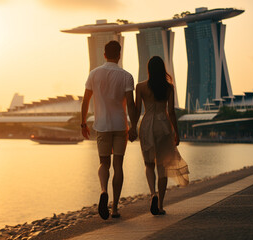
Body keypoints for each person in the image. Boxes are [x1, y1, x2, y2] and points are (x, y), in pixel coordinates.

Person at [81, 40, 137, 220]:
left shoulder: (94, 74)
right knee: (118, 166)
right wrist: (134, 126)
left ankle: (103, 190)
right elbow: (130, 103)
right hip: (121, 126)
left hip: (102, 126)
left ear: (104, 54)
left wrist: (83, 123)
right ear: (119, 55)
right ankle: (114, 209)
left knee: (104, 163)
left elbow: (85, 100)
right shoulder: (127, 76)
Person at [135, 56, 189, 215]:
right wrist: (177, 133)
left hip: (147, 125)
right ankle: (160, 206)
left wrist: (132, 127)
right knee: (162, 167)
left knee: (148, 164)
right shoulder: (169, 87)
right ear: (162, 69)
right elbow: (171, 112)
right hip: (163, 126)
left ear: (149, 70)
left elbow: (138, 110)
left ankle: (153, 194)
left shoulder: (140, 87)